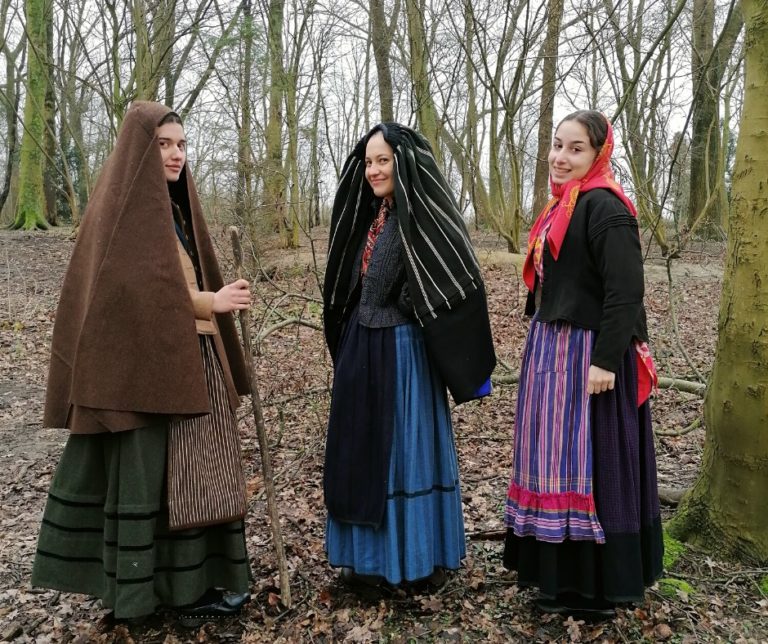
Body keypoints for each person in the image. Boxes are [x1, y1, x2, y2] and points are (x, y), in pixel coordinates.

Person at [32, 102, 253, 623]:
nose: (176, 155)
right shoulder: (121, 214)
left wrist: (212, 299)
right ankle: (140, 596)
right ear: (140, 149)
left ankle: (188, 588)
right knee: (148, 480)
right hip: (135, 383)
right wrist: (208, 303)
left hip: (182, 370)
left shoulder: (173, 212)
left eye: (181, 144)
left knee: (191, 479)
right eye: (164, 145)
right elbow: (132, 294)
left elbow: (171, 284)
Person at [503, 110, 664, 617]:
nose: (561, 157)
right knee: (553, 463)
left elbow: (625, 293)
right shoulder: (559, 208)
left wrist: (605, 361)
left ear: (598, 154)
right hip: (552, 351)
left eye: (575, 149)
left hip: (591, 360)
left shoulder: (606, 208)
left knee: (590, 464)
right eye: (556, 146)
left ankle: (595, 589)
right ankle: (559, 581)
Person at [322, 122, 496, 588]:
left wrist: (406, 306)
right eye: (370, 162)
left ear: (405, 163)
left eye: (385, 160)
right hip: (363, 349)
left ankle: (414, 563)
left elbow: (453, 278)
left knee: (402, 454)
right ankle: (366, 564)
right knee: (360, 454)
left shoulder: (425, 215)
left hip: (402, 356)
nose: (375, 170)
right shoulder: (375, 215)